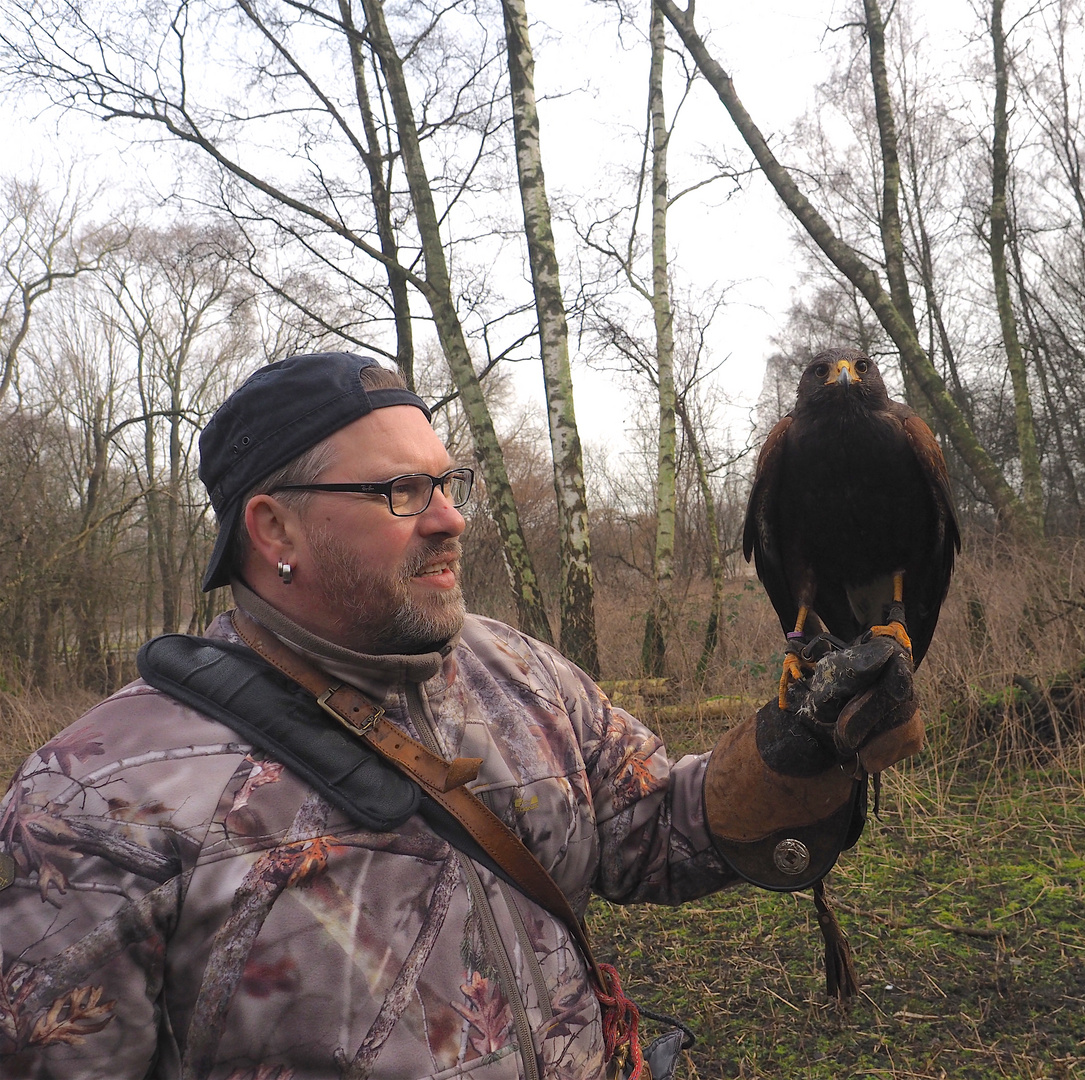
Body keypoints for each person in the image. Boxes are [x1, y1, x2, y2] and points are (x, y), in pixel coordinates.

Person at [0, 352, 922, 1080]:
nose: (452, 519)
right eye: (401, 492)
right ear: (273, 529)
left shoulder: (516, 671)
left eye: (451, 482)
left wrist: (800, 746)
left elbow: (652, 830)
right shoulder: (93, 800)